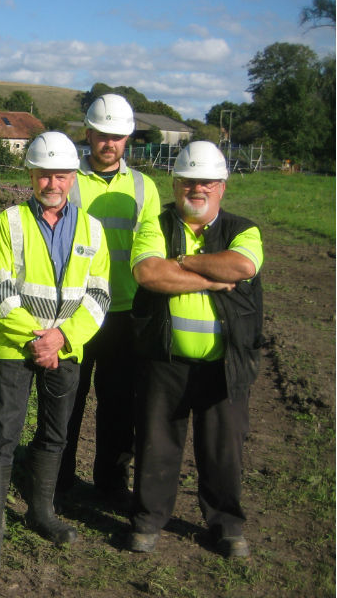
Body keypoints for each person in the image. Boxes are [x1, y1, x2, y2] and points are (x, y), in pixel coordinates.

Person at [0, 132, 111, 571]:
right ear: (31, 175)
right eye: (43, 173)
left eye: (61, 174)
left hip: (66, 350)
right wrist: (40, 339)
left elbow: (99, 295)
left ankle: (41, 512)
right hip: (17, 348)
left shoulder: (93, 228)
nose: (52, 182)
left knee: (56, 433)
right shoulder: (8, 222)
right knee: (2, 433)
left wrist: (64, 338)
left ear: (73, 176)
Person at [127, 141, 263, 558]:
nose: (197, 189)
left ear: (222, 186)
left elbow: (241, 267)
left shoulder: (244, 230)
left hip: (226, 363)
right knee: (156, 444)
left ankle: (227, 525)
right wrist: (208, 276)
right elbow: (149, 273)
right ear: (175, 184)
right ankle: (148, 520)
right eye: (188, 181)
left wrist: (181, 262)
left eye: (206, 182)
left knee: (223, 450)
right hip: (165, 359)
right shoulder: (155, 223)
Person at [59, 93, 161, 499]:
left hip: (124, 311)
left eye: (117, 137)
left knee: (119, 404)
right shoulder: (67, 178)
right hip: (74, 311)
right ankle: (58, 480)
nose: (109, 144)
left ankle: (111, 484)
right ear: (88, 134)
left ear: (128, 139)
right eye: (102, 135)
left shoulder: (143, 186)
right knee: (67, 400)